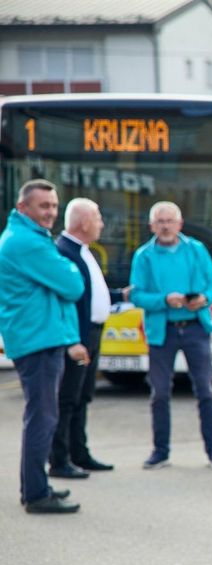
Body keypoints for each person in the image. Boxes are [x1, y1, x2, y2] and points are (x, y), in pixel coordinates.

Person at [0, 179, 88, 513]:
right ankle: (36, 495)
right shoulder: (28, 243)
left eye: (54, 206)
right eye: (43, 206)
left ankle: (37, 486)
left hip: (38, 337)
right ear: (23, 207)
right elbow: (72, 284)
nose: (51, 212)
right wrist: (66, 270)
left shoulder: (28, 237)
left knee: (42, 416)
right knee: (42, 418)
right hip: (38, 341)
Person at [129, 201, 212, 469]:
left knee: (205, 391)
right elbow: (136, 295)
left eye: (170, 221)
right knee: (159, 393)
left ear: (180, 224)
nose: (165, 226)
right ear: (152, 226)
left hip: (195, 327)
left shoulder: (196, 250)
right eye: (160, 222)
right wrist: (164, 300)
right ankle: (160, 452)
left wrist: (203, 299)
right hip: (162, 331)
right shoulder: (143, 256)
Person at [49, 198, 128, 478]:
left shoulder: (81, 250)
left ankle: (79, 454)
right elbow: (67, 301)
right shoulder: (64, 252)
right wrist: (74, 341)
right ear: (83, 222)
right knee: (67, 398)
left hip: (92, 333)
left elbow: (92, 293)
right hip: (79, 337)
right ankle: (59, 460)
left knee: (82, 397)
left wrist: (119, 296)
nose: (101, 223)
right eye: (97, 218)